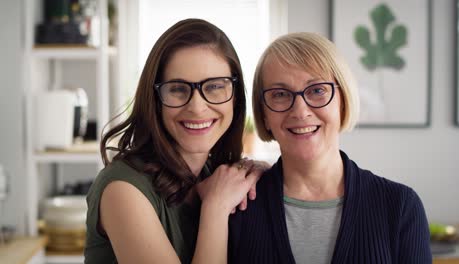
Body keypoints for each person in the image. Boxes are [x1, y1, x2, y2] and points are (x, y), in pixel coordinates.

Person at [228, 32, 432, 264]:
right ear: (264, 115)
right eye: (280, 94)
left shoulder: (400, 206)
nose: (300, 111)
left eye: (316, 90)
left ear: (342, 101)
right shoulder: (238, 207)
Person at [85, 18, 265, 264]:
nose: (197, 107)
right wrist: (215, 209)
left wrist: (258, 172)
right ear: (155, 99)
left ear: (235, 96)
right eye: (178, 89)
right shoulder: (123, 190)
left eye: (214, 87)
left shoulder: (211, 174)